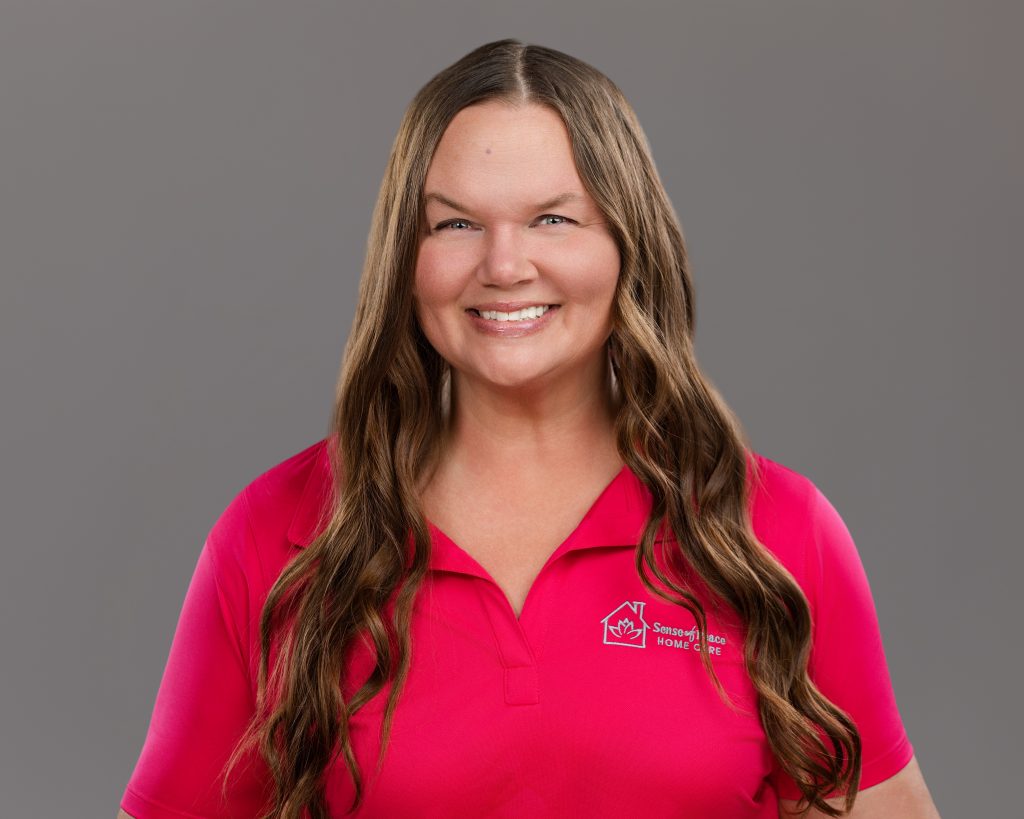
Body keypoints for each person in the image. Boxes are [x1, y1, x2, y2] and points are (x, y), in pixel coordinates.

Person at [118, 39, 941, 819]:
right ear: (406, 258)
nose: (504, 265)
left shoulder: (773, 533)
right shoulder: (278, 536)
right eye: (455, 223)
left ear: (627, 243)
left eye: (554, 219)